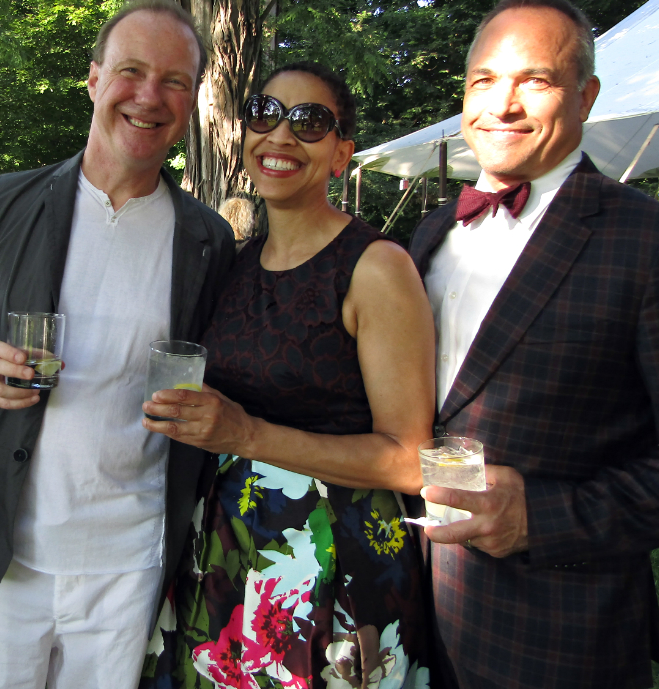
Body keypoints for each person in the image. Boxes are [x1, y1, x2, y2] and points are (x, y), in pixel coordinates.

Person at [407, 0, 659, 689]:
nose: (501, 105)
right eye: (483, 81)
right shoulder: (433, 231)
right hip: (414, 608)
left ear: (586, 95)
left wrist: (543, 518)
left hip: (556, 636)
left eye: (533, 81)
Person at [0, 0, 237, 689]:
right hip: (4, 553)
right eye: (131, 71)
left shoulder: (207, 241)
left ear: (190, 102)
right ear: (95, 79)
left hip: (130, 565)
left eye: (175, 81)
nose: (149, 96)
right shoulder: (6, 203)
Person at [141, 62, 437, 688]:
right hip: (226, 551)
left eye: (309, 122)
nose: (279, 136)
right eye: (265, 114)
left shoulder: (376, 267)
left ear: (340, 153)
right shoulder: (237, 260)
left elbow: (411, 460)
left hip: (327, 563)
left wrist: (247, 435)